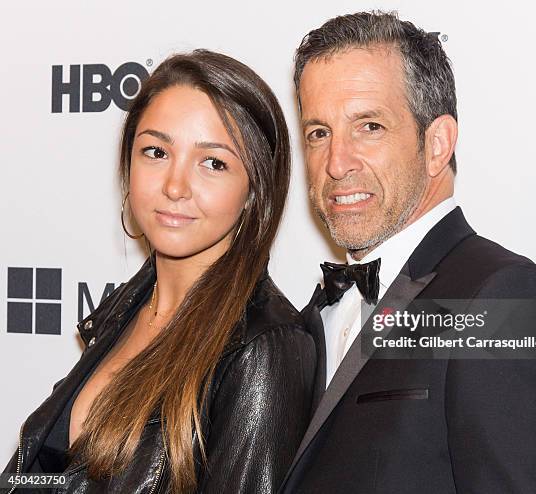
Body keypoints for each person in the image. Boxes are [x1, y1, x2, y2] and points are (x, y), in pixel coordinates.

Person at [280, 11, 536, 493]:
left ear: (437, 144)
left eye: (369, 126)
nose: (336, 163)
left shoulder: (513, 302)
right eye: (318, 133)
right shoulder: (306, 318)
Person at [3, 49, 315, 493]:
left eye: (213, 163)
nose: (174, 186)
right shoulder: (127, 308)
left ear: (254, 190)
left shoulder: (264, 346)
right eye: (156, 151)